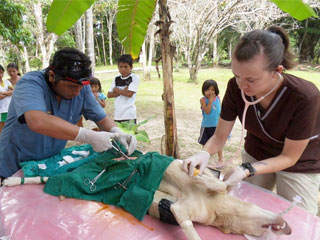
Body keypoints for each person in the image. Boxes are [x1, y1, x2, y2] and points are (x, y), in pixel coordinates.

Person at [183, 26, 320, 215]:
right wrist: (204, 153)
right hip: (258, 151)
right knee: (244, 210)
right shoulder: (235, 87)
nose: (241, 85)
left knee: (297, 219)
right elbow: (220, 136)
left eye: (251, 80)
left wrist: (246, 169)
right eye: (237, 76)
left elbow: (289, 157)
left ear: (277, 71)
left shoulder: (305, 96)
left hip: (300, 162)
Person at [0, 48, 137, 184]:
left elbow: (101, 119)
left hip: (47, 165)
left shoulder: (81, 87)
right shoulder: (30, 83)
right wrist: (90, 136)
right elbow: (37, 121)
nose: (77, 93)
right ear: (52, 76)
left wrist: (118, 132)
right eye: (71, 87)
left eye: (80, 87)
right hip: (12, 166)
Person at [107, 54, 139, 124]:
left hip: (129, 115)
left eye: (126, 67)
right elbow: (109, 95)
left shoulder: (134, 78)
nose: (123, 69)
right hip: (117, 115)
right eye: (120, 67)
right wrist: (123, 91)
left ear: (131, 67)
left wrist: (117, 90)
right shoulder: (116, 78)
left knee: (130, 134)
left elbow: (129, 94)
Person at [198, 79, 222, 162]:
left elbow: (220, 110)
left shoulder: (218, 98)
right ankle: (203, 159)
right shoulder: (203, 100)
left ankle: (220, 159)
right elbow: (207, 111)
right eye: (207, 90)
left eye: (212, 90)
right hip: (206, 125)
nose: (210, 92)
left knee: (218, 143)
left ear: (216, 90)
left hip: (217, 125)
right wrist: (210, 102)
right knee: (205, 143)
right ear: (203, 90)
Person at [0, 64, 13, 134]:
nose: (0, 75)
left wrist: (3, 93)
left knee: (9, 125)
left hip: (8, 107)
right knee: (1, 126)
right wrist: (8, 93)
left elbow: (13, 91)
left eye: (1, 72)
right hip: (1, 109)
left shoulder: (7, 82)